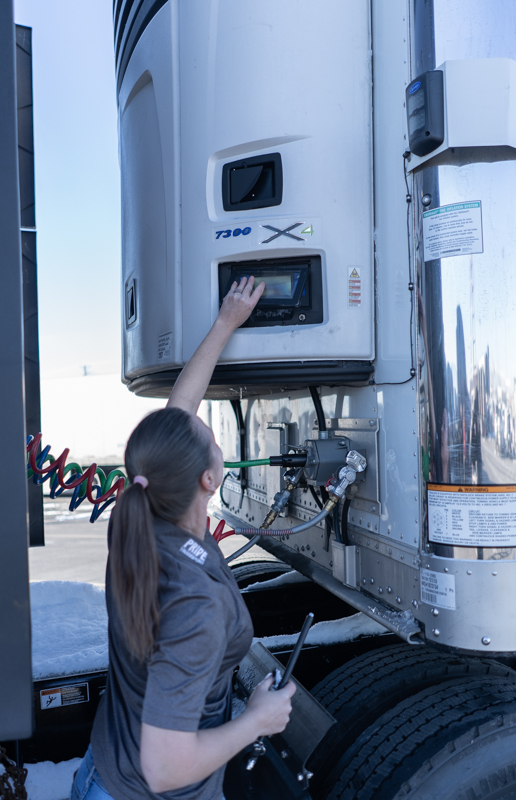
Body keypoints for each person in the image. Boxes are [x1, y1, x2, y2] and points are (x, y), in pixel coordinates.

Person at [71, 276, 296, 800]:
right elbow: (166, 769)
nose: (210, 434)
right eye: (213, 440)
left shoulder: (140, 521)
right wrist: (258, 720)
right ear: (209, 480)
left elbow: (177, 416)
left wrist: (225, 323)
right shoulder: (192, 606)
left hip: (104, 773)